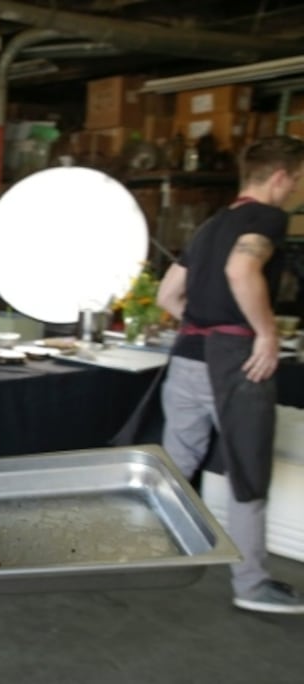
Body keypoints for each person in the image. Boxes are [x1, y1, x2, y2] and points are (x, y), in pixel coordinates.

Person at [155, 135, 304, 615]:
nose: (298, 192)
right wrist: (263, 334)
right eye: (299, 181)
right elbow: (243, 269)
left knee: (176, 464)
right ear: (280, 177)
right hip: (234, 363)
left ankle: (150, 555)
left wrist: (202, 322)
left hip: (188, 355)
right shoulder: (267, 218)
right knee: (248, 469)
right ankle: (251, 584)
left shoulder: (212, 223)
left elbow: (168, 294)